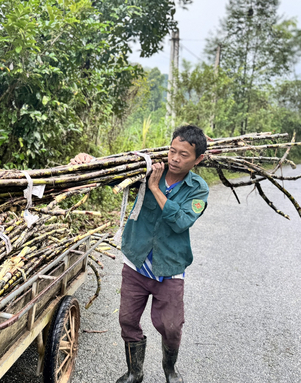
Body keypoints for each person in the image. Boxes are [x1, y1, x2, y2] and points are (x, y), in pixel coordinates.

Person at [70, 125, 209, 383]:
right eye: (172, 150)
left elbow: (181, 221)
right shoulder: (147, 168)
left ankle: (170, 369)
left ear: (198, 159)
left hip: (169, 267)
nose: (175, 158)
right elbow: (112, 175)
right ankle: (135, 371)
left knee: (171, 326)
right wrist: (90, 162)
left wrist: (155, 188)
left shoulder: (198, 189)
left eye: (184, 155)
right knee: (127, 320)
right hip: (136, 262)